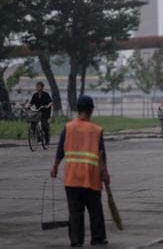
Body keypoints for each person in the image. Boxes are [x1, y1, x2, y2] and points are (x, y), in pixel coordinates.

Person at [50, 95, 109, 247]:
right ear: (91, 110)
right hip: (91, 178)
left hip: (72, 178)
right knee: (95, 211)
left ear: (78, 110)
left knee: (75, 213)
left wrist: (55, 167)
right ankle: (97, 239)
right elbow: (101, 153)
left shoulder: (68, 127)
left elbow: (60, 150)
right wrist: (104, 172)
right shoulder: (96, 130)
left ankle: (76, 242)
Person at [29, 82, 53, 146]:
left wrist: (47, 106)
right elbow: (31, 103)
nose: (37, 88)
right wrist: (29, 106)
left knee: (44, 124)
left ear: (42, 87)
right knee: (33, 122)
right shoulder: (35, 95)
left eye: (39, 86)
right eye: (37, 86)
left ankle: (47, 140)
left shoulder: (46, 94)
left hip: (45, 111)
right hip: (38, 111)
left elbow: (51, 102)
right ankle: (37, 135)